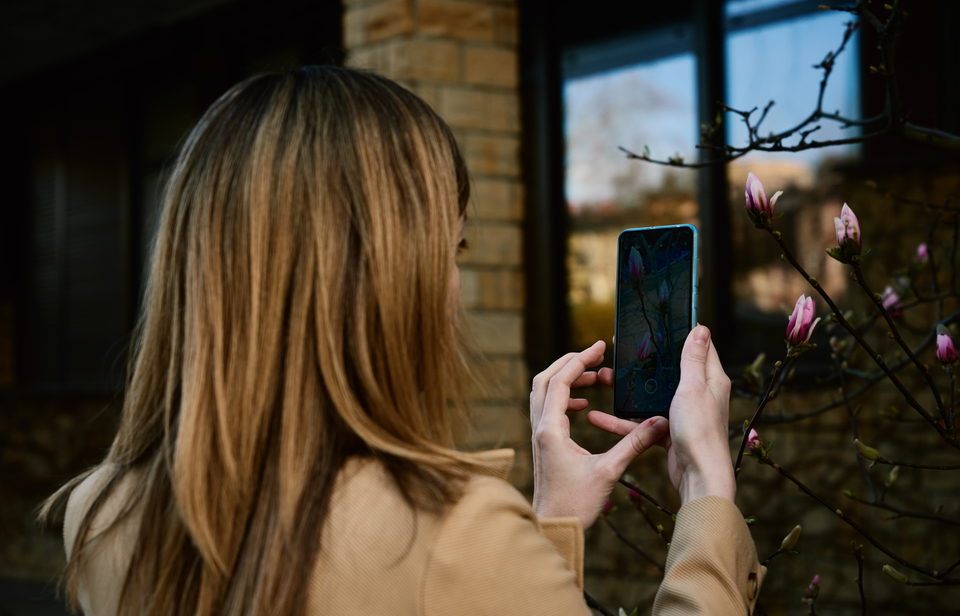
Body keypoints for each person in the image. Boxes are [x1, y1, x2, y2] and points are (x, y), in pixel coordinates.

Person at [42, 65, 764, 616]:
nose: (455, 285)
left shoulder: (100, 516)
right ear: (382, 275)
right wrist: (707, 490)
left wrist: (546, 526)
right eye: (450, 252)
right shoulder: (458, 537)